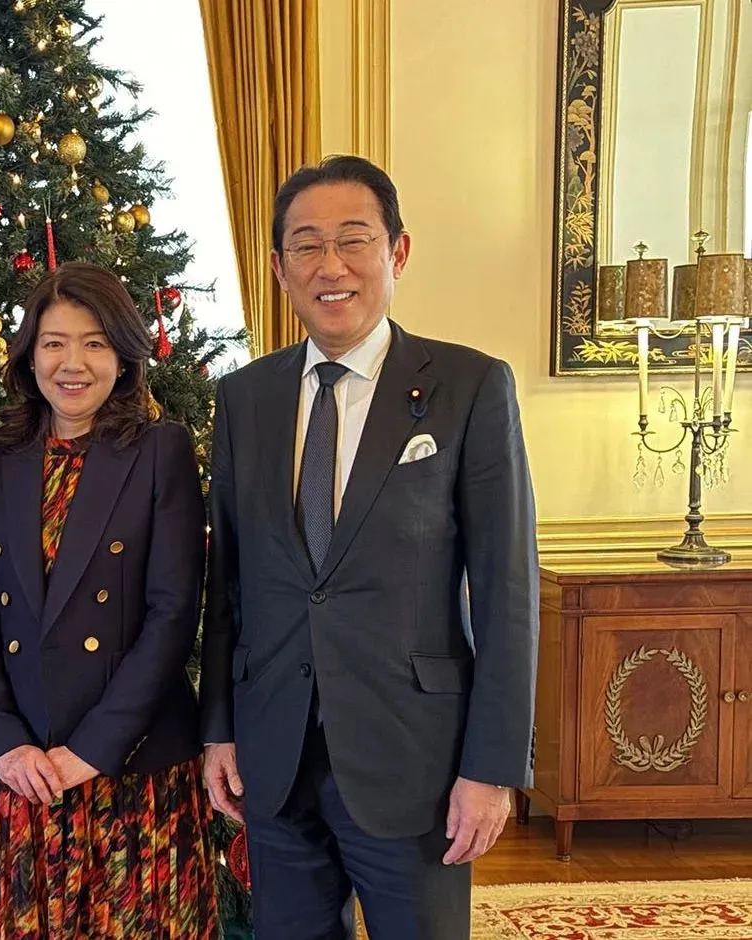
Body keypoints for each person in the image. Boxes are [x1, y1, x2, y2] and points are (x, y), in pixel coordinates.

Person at [199, 155, 539, 939]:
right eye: (306, 245)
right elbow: (232, 584)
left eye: (354, 240)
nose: (331, 265)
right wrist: (219, 726)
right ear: (280, 267)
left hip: (410, 761)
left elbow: (506, 594)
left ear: (398, 253)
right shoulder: (244, 398)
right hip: (275, 756)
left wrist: (491, 769)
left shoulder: (470, 387)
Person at [0, 261, 218, 939]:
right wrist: (5, 743)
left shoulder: (160, 451)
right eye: (53, 343)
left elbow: (171, 614)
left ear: (124, 356)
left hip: (133, 768)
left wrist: (94, 749)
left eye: (94, 342)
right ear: (29, 356)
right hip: (29, 773)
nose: (73, 362)